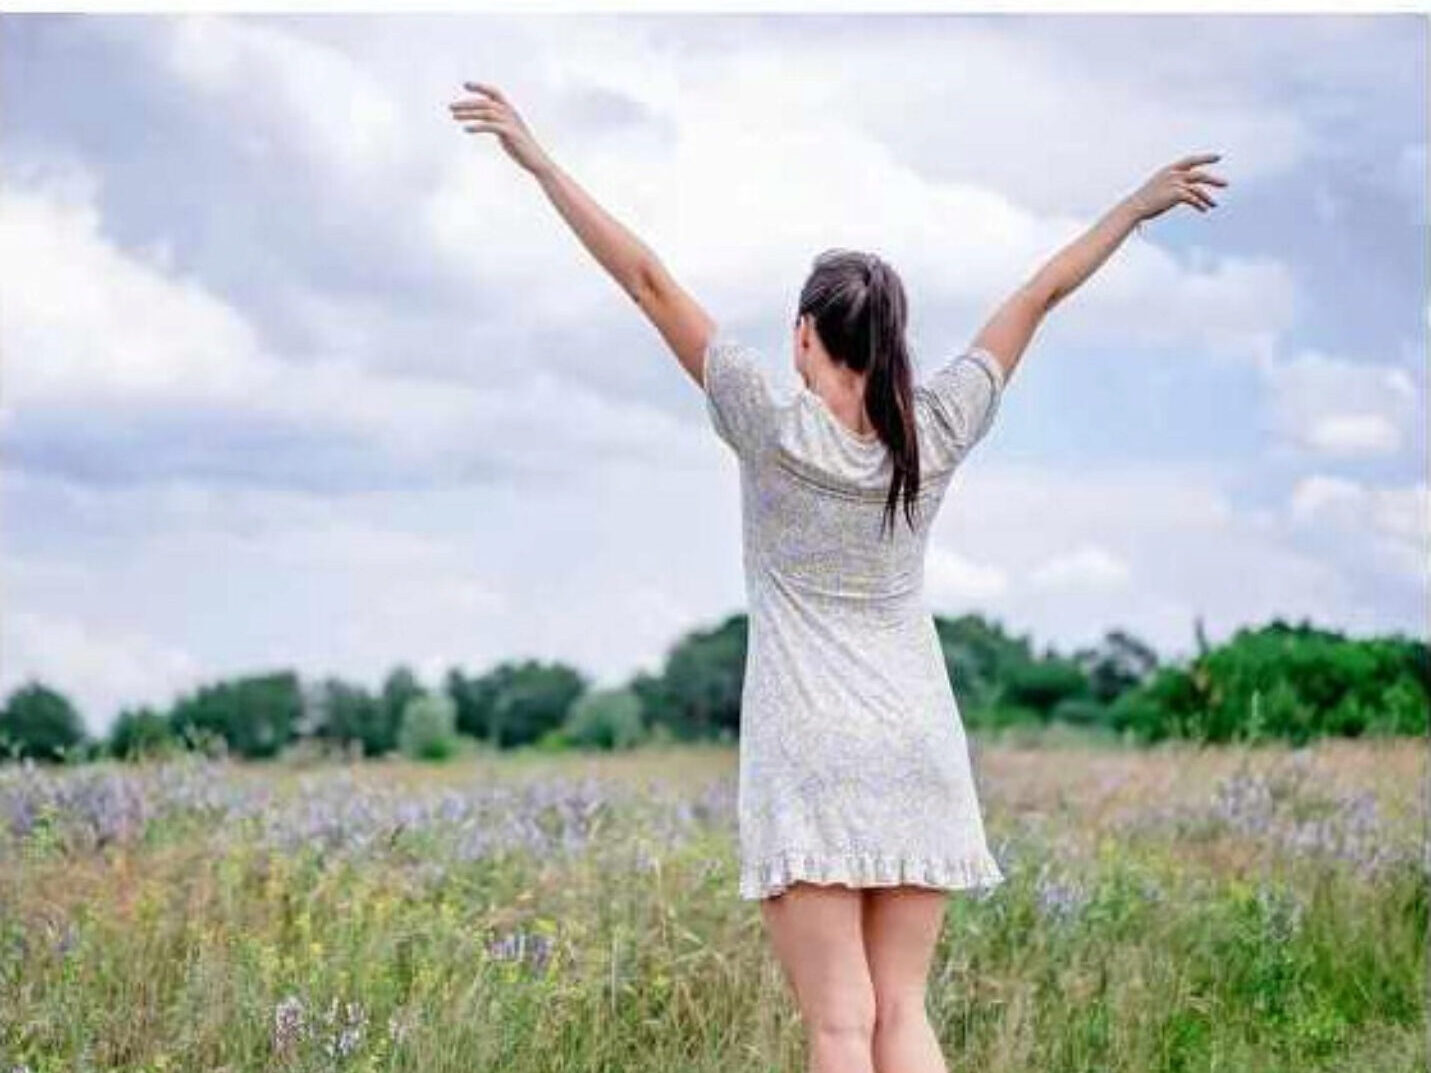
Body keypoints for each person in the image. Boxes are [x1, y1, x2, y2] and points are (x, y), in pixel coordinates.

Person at [449, 80, 1227, 1073]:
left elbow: (645, 280)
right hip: (916, 743)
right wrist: (1134, 206)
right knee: (901, 1010)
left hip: (810, 748)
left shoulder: (772, 427)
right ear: (890, 342)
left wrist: (542, 164)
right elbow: (1039, 295)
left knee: (838, 1024)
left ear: (804, 334)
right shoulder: (934, 430)